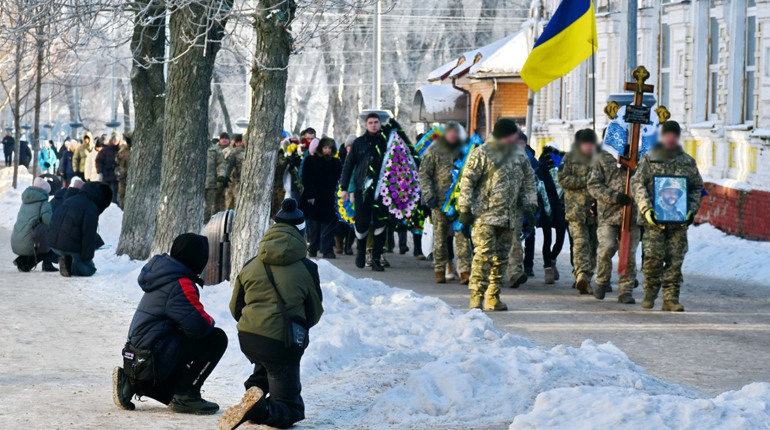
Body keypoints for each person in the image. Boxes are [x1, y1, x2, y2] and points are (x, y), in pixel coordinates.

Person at [221, 199, 323, 430]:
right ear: (301, 231)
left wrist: (256, 322)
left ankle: (255, 389)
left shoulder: (251, 263)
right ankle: (259, 408)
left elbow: (235, 308)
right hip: (283, 344)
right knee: (290, 409)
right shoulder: (308, 268)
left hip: (249, 338)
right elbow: (314, 313)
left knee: (267, 363)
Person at [113, 233, 227, 414]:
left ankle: (133, 383)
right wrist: (211, 321)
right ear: (197, 259)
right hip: (151, 361)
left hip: (139, 359)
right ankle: (186, 395)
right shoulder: (179, 283)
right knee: (216, 338)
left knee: (181, 338)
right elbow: (200, 326)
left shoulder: (164, 275)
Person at [457, 119, 537, 311]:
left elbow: (529, 181)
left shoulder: (520, 155)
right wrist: (465, 209)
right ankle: (476, 297)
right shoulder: (482, 153)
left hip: (510, 217)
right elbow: (467, 181)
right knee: (483, 256)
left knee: (501, 259)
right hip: (485, 216)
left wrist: (531, 205)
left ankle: (493, 296)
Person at [631, 120, 704, 311]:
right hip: (654, 220)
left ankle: (671, 297)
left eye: (674, 135)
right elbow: (637, 184)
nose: (670, 138)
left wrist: (691, 210)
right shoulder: (649, 158)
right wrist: (646, 209)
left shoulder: (687, 161)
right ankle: (650, 291)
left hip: (678, 221)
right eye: (667, 135)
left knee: (675, 259)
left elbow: (697, 187)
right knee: (653, 258)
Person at [587, 138, 640, 303]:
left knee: (629, 254)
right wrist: (614, 197)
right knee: (607, 248)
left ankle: (626, 290)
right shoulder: (602, 158)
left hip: (632, 216)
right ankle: (602, 280)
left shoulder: (640, 158)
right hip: (609, 215)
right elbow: (593, 185)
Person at [418, 121, 471, 284]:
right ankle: (440, 270)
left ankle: (464, 270)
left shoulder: (466, 151)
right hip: (439, 202)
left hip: (460, 202)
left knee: (462, 237)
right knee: (440, 238)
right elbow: (424, 174)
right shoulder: (434, 150)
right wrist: (429, 195)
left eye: (456, 132)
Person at [339, 113, 390, 271]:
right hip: (362, 189)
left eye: (376, 122)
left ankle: (375, 259)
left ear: (380, 124)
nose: (374, 125)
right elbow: (348, 166)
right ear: (366, 125)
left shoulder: (387, 142)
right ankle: (360, 251)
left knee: (381, 224)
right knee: (362, 223)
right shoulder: (359, 143)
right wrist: (344, 188)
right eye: (371, 123)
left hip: (383, 190)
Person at [558, 129, 599, 295]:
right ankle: (581, 274)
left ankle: (587, 276)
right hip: (576, 211)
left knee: (593, 246)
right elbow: (562, 179)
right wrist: (585, 181)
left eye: (591, 144)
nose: (588, 147)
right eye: (585, 144)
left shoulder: (599, 160)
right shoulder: (569, 158)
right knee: (580, 243)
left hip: (595, 212)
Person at [47, 181, 112, 277]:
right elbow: (88, 235)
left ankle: (67, 259)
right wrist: (86, 258)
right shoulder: (90, 207)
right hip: (68, 247)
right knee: (89, 270)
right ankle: (69, 264)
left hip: (53, 246)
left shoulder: (69, 200)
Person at [300, 137, 342, 258]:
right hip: (314, 197)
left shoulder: (335, 162)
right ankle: (313, 247)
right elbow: (306, 179)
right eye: (325, 148)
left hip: (329, 198)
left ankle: (327, 249)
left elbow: (339, 179)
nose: (327, 150)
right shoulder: (311, 160)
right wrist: (310, 195)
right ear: (320, 148)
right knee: (314, 225)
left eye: (329, 148)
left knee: (328, 225)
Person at [507, 131, 537, 288]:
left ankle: (515, 272)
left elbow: (531, 184)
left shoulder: (527, 161)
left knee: (515, 239)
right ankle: (494, 274)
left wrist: (532, 205)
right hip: (494, 208)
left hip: (517, 207)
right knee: (496, 242)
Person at [11, 177, 57, 272]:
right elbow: (48, 222)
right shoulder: (44, 204)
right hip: (28, 243)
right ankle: (25, 263)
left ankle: (22, 260)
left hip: (16, 241)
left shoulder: (25, 201)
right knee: (52, 240)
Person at [537, 144, 567, 284]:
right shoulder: (545, 165)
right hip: (551, 206)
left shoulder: (560, 163)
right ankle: (548, 267)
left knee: (554, 239)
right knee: (551, 238)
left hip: (554, 207)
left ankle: (551, 263)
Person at [204, 135, 229, 221]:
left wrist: (221, 175)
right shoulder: (194, 146)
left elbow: (221, 163)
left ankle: (206, 221)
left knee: (209, 205)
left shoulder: (215, 149)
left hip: (211, 181)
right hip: (195, 183)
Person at [96, 131, 121, 203]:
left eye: (116, 140)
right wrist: (100, 172)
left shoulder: (120, 150)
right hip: (106, 175)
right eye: (114, 140)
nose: (115, 142)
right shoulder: (105, 150)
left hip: (116, 175)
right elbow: (98, 161)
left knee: (115, 194)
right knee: (106, 193)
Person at [225, 134, 246, 211]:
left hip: (244, 180)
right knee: (236, 199)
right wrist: (226, 176)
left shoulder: (253, 151)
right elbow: (230, 165)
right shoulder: (236, 151)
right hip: (238, 179)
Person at [115, 133, 131, 209]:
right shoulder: (123, 149)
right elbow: (117, 160)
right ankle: (122, 208)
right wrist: (119, 157)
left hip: (129, 175)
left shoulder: (134, 150)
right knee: (121, 194)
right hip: (122, 175)